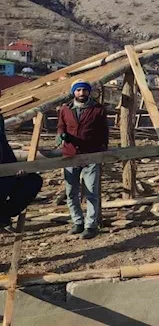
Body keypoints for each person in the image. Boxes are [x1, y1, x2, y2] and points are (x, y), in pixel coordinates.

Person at [56, 80, 109, 239]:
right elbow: (61, 125)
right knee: (71, 191)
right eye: (78, 90)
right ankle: (77, 222)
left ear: (88, 92)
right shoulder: (66, 109)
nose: (81, 93)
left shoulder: (97, 109)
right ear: (74, 92)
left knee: (91, 192)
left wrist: (102, 148)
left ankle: (90, 226)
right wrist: (61, 135)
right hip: (70, 155)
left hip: (90, 155)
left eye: (84, 90)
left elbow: (104, 131)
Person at [0, 108, 42, 233]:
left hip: (6, 169)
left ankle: (4, 216)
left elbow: (4, 144)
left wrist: (15, 168)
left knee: (32, 181)